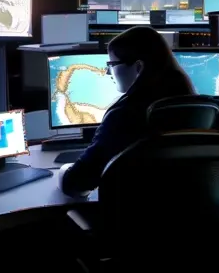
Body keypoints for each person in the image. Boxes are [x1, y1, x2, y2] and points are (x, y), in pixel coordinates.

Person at [57, 26, 195, 197]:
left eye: (112, 64)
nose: (108, 71)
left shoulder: (125, 116)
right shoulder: (200, 109)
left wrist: (64, 170)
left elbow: (76, 183)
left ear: (138, 67)